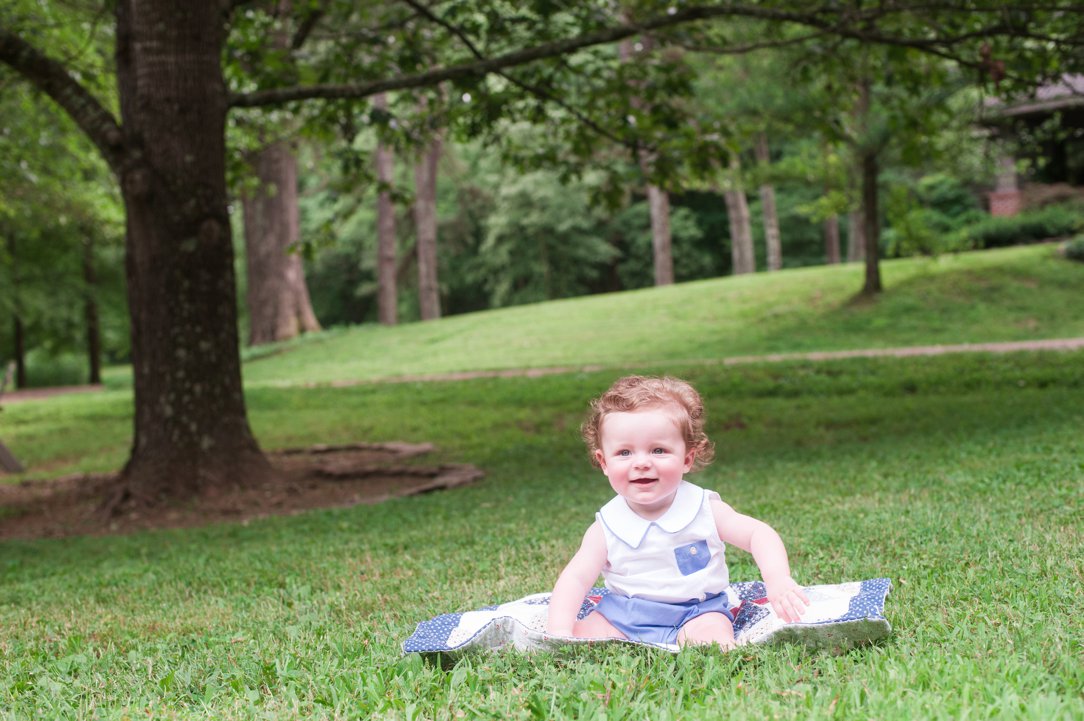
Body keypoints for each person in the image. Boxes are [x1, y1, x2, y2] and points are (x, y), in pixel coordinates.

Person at [546, 375, 809, 649]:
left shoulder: (703, 508)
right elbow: (576, 578)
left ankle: (704, 640)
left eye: (658, 450)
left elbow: (758, 533)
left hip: (697, 611)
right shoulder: (607, 526)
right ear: (604, 462)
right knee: (579, 642)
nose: (642, 463)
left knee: (712, 644)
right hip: (623, 614)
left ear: (687, 459)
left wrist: (778, 579)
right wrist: (559, 629)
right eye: (624, 453)